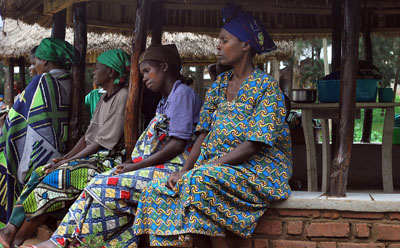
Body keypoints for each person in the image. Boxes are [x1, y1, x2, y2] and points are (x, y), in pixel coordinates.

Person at [132, 3, 292, 247]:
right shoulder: (219, 86)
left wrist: (205, 168)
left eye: (224, 40)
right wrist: (186, 169)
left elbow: (253, 145)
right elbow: (202, 135)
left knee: (199, 182)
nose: (218, 45)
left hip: (259, 170)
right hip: (215, 169)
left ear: (245, 45)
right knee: (156, 191)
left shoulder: (267, 88)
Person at [30, 44, 202, 248]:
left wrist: (137, 166)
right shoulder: (166, 99)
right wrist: (135, 162)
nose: (144, 77)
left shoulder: (182, 94)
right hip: (159, 165)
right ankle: (59, 241)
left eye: (148, 71)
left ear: (165, 67)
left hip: (175, 167)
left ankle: (65, 242)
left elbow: (177, 145)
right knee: (98, 183)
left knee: (105, 185)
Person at [0, 49, 130, 248]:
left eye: (97, 67)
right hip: (95, 156)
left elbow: (102, 143)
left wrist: (67, 162)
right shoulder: (104, 99)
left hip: (109, 160)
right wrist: (64, 158)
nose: (93, 71)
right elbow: (88, 138)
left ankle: (15, 237)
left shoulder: (123, 97)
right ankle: (11, 231)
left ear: (111, 72)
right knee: (41, 172)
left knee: (53, 181)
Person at [0, 38, 77, 227]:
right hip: (61, 145)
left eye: (35, 62)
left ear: (44, 61)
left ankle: (9, 224)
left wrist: (6, 124)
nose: (33, 67)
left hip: (42, 152)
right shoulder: (71, 80)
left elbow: (19, 115)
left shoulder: (43, 80)